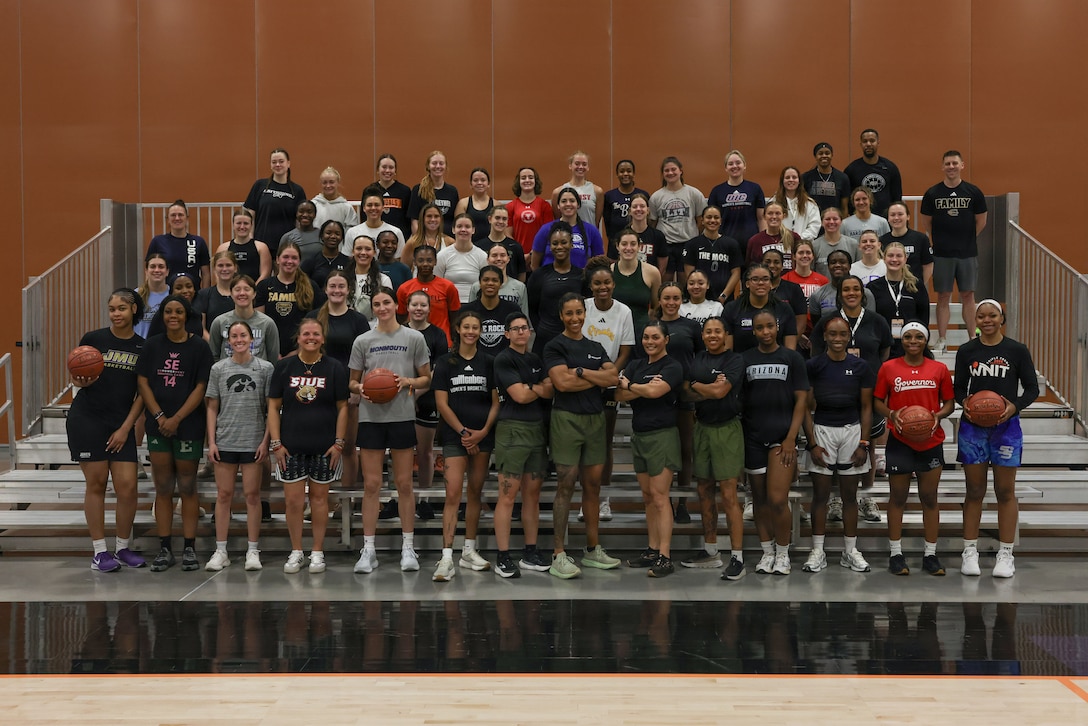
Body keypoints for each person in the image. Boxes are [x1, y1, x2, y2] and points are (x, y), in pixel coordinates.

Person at [954, 299, 1039, 578]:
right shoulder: (967, 351)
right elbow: (958, 390)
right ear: (975, 320)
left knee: (1005, 492)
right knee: (974, 491)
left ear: (1002, 318)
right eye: (981, 316)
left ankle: (1006, 553)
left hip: (1006, 428)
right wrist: (965, 401)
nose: (987, 320)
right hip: (972, 428)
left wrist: (1014, 406)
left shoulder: (1016, 350)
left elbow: (1032, 389)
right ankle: (969, 551)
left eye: (992, 315)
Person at [349, 289, 432, 575]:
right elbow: (352, 382)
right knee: (371, 485)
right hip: (370, 418)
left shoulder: (414, 338)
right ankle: (368, 549)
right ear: (372, 308)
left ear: (397, 305)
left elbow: (426, 378)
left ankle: (407, 547)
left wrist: (406, 381)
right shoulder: (363, 340)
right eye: (377, 304)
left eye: (387, 302)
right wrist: (360, 388)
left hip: (401, 416)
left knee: (404, 485)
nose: (382, 307)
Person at [543, 293, 622, 578]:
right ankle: (559, 553)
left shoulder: (595, 345)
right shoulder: (554, 345)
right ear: (561, 315)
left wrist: (579, 372)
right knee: (565, 484)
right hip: (566, 419)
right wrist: (593, 378)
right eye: (569, 313)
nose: (575, 318)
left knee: (593, 487)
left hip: (595, 420)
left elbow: (613, 378)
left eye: (579, 312)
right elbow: (561, 384)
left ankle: (592, 549)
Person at [69, 288, 146, 572]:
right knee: (97, 484)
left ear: (133, 310)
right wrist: (80, 382)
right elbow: (78, 378)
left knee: (127, 487)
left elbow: (142, 394)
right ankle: (100, 552)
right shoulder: (93, 339)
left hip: (121, 422)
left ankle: (123, 548)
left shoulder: (142, 347)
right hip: (88, 419)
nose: (116, 314)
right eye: (112, 308)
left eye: (122, 308)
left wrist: (127, 428)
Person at [136, 294, 214, 572]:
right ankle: (165, 548)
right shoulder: (152, 345)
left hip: (188, 426)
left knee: (188, 486)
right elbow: (143, 382)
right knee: (164, 488)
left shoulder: (199, 348)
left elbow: (201, 386)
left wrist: (177, 418)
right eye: (168, 311)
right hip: (158, 425)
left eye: (178, 311)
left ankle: (190, 548)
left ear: (186, 315)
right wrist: (159, 416)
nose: (173, 316)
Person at [267, 318, 349, 574]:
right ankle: (296, 551)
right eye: (306, 334)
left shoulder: (335, 368)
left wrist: (339, 443)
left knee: (319, 500)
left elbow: (343, 407)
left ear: (323, 338)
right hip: (290, 446)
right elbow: (273, 406)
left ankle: (317, 552)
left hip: (324, 446)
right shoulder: (284, 366)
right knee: (293, 502)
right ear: (298, 338)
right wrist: (276, 443)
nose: (311, 337)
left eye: (316, 334)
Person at [873, 322, 955, 576]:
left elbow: (950, 403)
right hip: (900, 441)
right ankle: (896, 554)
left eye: (919, 336)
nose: (913, 340)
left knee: (929, 498)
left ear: (926, 341)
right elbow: (877, 401)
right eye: (908, 336)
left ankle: (930, 555)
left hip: (930, 441)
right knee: (897, 498)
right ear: (901, 339)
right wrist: (891, 413)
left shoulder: (939, 369)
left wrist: (938, 415)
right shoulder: (888, 368)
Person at [810, 274, 892, 518]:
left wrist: (869, 372)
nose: (851, 293)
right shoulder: (828, 321)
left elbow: (885, 351)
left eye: (856, 289)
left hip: (868, 389)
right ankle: (837, 499)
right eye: (846, 289)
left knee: (867, 444)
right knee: (835, 445)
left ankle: (866, 498)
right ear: (840, 294)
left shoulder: (876, 321)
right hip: (834, 390)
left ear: (863, 294)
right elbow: (815, 351)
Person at [802, 316, 875, 574]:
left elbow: (866, 407)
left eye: (842, 334)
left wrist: (863, 443)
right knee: (820, 495)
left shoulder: (860, 366)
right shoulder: (813, 365)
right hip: (822, 430)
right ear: (824, 336)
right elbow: (804, 407)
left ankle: (850, 550)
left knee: (849, 496)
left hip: (851, 431)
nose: (837, 338)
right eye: (832, 334)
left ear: (848, 336)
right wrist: (812, 444)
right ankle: (818, 550)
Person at [432, 311, 501, 582]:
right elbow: (441, 403)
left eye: (476, 327)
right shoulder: (445, 362)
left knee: (475, 493)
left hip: (482, 438)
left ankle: (469, 550)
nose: (471, 331)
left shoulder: (490, 362)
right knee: (452, 494)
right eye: (467, 327)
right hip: (455, 438)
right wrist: (463, 432)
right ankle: (446, 555)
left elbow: (496, 402)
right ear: (458, 330)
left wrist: (482, 432)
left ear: (481, 331)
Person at [742, 310, 809, 575]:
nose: (766, 332)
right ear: (754, 331)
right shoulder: (745, 359)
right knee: (759, 499)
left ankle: (783, 554)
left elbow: (801, 400)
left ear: (777, 327)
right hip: (753, 438)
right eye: (760, 328)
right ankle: (767, 552)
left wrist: (792, 437)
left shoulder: (792, 358)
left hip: (782, 438)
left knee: (778, 499)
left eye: (770, 326)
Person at [615, 321, 684, 577]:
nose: (649, 341)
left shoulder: (672, 366)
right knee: (647, 497)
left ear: (666, 339)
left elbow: (656, 392)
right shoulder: (636, 364)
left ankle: (665, 556)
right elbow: (618, 397)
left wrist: (631, 386)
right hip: (640, 435)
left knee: (659, 496)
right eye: (645, 337)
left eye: (655, 337)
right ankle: (652, 549)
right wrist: (642, 389)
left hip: (662, 436)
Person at [204, 321, 273, 572]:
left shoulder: (265, 368)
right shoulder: (218, 369)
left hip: (253, 441)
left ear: (251, 339)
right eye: (234, 336)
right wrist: (212, 441)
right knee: (223, 496)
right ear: (228, 340)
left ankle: (253, 550)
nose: (239, 339)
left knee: (253, 497)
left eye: (243, 335)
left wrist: (266, 441)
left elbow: (271, 409)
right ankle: (221, 550)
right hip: (225, 440)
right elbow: (212, 407)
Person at [681, 317, 746, 579]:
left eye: (718, 331)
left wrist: (699, 386)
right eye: (708, 331)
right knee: (704, 489)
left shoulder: (734, 360)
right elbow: (685, 391)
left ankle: (737, 557)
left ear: (726, 334)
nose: (712, 335)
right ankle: (710, 551)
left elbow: (721, 392)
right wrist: (705, 387)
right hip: (702, 427)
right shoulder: (697, 359)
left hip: (727, 429)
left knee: (729, 494)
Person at [492, 312, 554, 578]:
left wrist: (535, 388)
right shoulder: (503, 359)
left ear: (529, 332)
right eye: (515, 328)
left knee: (532, 496)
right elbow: (518, 395)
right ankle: (503, 556)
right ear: (506, 334)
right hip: (512, 430)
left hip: (536, 430)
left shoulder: (535, 359)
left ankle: (530, 551)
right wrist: (536, 387)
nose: (520, 332)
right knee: (507, 496)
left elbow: (550, 390)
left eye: (524, 328)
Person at [305, 269, 371, 496]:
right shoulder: (314, 318)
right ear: (325, 289)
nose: (336, 290)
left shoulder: (358, 320)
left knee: (348, 447)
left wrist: (357, 387)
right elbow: (304, 353)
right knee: (318, 446)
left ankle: (347, 502)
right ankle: (317, 499)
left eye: (341, 286)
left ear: (348, 290)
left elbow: (366, 358)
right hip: (319, 389)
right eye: (332, 286)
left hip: (348, 390)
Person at [581, 263, 635, 522]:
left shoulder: (623, 311)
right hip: (584, 382)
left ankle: (603, 499)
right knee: (584, 443)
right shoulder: (583, 306)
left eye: (607, 283)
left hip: (610, 383)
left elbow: (625, 350)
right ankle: (586, 499)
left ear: (613, 285)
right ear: (591, 286)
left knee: (604, 442)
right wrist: (592, 377)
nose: (602, 287)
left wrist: (609, 376)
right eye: (597, 284)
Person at [920, 150, 989, 354]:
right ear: (942, 167)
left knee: (968, 295)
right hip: (942, 253)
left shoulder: (973, 192)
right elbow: (927, 223)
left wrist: (966, 238)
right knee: (943, 295)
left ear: (962, 165)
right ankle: (942, 339)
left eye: (954, 163)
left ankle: (971, 338)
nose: (951, 167)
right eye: (947, 163)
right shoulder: (932, 193)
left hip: (967, 253)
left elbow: (981, 220)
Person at [655, 282, 701, 523]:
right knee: (664, 452)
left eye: (676, 298)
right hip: (658, 396)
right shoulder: (653, 327)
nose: (671, 303)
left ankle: (682, 503)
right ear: (659, 300)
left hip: (684, 395)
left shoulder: (691, 326)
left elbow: (702, 358)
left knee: (685, 449)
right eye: (667, 298)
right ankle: (664, 503)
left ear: (681, 300)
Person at [404, 290, 449, 518]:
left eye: (423, 305)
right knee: (399, 451)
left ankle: (424, 498)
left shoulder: (438, 335)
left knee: (425, 451)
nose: (419, 309)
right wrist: (406, 394)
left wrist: (415, 394)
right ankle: (398, 497)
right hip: (398, 395)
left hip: (426, 395)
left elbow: (437, 370)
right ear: (408, 307)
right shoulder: (398, 332)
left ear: (429, 309)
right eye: (415, 305)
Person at [255, 241, 325, 356]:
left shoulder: (311, 287)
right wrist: (273, 351)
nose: (289, 261)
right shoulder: (264, 286)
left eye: (294, 258)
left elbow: (318, 321)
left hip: (302, 351)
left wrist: (299, 350)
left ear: (299, 261)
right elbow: (259, 323)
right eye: (285, 257)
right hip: (269, 351)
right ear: (277, 260)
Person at [526, 222, 584, 356]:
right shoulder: (539, 275)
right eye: (555, 243)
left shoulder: (581, 276)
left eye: (564, 242)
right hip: (545, 340)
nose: (559, 247)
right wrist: (542, 329)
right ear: (550, 246)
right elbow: (532, 309)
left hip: (574, 339)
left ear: (571, 244)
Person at [649, 156, 707, 280]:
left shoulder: (694, 193)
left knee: (685, 280)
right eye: (667, 170)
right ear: (663, 174)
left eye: (673, 169)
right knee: (665, 280)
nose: (670, 173)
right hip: (666, 244)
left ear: (681, 171)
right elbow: (653, 223)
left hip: (688, 243)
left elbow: (701, 220)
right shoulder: (656, 197)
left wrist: (693, 236)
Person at [868, 241, 930, 358]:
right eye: (890, 256)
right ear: (884, 258)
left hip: (911, 346)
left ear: (905, 259)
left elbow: (923, 318)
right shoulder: (873, 287)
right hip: (883, 346)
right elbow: (871, 319)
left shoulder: (916, 285)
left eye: (899, 256)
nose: (894, 259)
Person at [721, 264, 798, 353]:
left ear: (771, 284)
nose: (760, 283)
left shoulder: (784, 309)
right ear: (747, 284)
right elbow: (727, 351)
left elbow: (790, 351)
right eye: (755, 279)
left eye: (765, 279)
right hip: (741, 363)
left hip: (777, 363)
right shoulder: (732, 308)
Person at [396, 244, 460, 345]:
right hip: (411, 341)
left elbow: (455, 317)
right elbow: (401, 318)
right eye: (420, 260)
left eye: (429, 260)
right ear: (414, 262)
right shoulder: (404, 289)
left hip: (442, 341)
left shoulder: (448, 286)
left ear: (435, 262)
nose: (425, 264)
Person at [208, 274, 280, 363]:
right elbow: (213, 356)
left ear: (254, 294)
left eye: (247, 289)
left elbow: (273, 359)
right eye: (237, 290)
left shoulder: (267, 323)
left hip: (258, 375)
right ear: (231, 293)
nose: (242, 293)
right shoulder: (219, 322)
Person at [244, 148, 307, 246]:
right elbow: (250, 215)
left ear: (288, 163)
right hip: (261, 244)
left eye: (281, 161)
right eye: (274, 162)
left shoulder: (297, 190)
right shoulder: (259, 185)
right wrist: (250, 237)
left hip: (287, 245)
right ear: (270, 165)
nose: (278, 165)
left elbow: (299, 221)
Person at [530, 187, 605, 270]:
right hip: (550, 281)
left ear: (578, 205)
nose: (568, 204)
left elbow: (599, 263)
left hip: (580, 280)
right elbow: (534, 265)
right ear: (558, 205)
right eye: (564, 201)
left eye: (572, 201)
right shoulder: (546, 229)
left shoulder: (591, 230)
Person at [612, 227, 661, 347]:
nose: (628, 248)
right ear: (617, 246)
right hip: (615, 332)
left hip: (641, 334)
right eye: (624, 244)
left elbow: (656, 307)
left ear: (639, 246)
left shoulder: (652, 272)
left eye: (633, 244)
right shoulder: (609, 272)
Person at [683, 205, 743, 302]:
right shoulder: (692, 244)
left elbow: (736, 273)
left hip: (725, 299)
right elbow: (690, 274)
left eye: (716, 217)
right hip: (700, 299)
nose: (712, 220)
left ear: (721, 221)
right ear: (702, 220)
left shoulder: (731, 244)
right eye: (709, 217)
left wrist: (724, 296)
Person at [146, 200, 211, 288]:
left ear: (187, 218)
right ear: (168, 219)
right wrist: (149, 292)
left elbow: (206, 274)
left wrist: (204, 296)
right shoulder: (158, 241)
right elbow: (149, 271)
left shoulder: (198, 242)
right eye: (173, 215)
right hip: (166, 295)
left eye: (180, 215)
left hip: (192, 295)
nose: (177, 218)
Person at [707, 150, 765, 245]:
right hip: (724, 243)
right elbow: (711, 221)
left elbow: (761, 218)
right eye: (730, 164)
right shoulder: (717, 191)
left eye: (738, 163)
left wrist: (763, 240)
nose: (734, 166)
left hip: (751, 243)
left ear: (744, 166)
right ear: (726, 168)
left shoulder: (755, 188)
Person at [461, 266, 521, 356]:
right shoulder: (466, 311)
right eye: (486, 280)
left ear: (501, 284)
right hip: (476, 363)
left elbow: (519, 339)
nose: (490, 283)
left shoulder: (512, 309)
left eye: (495, 280)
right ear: (480, 283)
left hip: (506, 363)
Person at [844, 128, 903, 217]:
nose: (868, 144)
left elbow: (897, 196)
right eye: (865, 141)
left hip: (886, 219)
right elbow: (848, 198)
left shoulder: (890, 167)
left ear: (878, 143)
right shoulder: (851, 169)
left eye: (872, 141)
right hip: (860, 218)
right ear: (861, 144)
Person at [808, 249, 877, 322]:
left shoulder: (865, 294)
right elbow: (817, 326)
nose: (837, 265)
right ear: (828, 267)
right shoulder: (817, 295)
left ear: (850, 266)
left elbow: (871, 322)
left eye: (842, 262)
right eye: (833, 262)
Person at [467, 243, 529, 317]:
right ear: (488, 259)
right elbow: (470, 314)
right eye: (494, 255)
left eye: (502, 255)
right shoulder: (477, 286)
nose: (499, 259)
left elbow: (524, 316)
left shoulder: (520, 287)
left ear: (508, 259)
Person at [436, 214, 489, 301]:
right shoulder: (442, 255)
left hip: (474, 306)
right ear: (453, 230)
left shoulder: (482, 256)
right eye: (459, 226)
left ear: (473, 230)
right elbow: (437, 284)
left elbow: (486, 285)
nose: (463, 230)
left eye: (467, 226)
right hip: (450, 305)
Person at [882, 201, 934, 288]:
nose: (896, 217)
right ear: (888, 218)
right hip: (889, 288)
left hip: (913, 287)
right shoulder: (882, 241)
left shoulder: (921, 239)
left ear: (908, 217)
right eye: (892, 215)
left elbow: (928, 265)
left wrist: (918, 284)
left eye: (900, 214)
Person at [345, 187, 406, 260]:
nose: (373, 208)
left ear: (383, 207)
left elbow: (399, 259)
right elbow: (348, 259)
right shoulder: (352, 232)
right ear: (364, 208)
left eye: (377, 205)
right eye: (369, 205)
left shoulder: (396, 232)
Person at [407, 150, 458, 235]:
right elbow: (414, 221)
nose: (438, 166)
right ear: (428, 166)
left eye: (441, 163)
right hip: (425, 241)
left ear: (445, 166)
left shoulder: (452, 191)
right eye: (434, 163)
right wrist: (420, 242)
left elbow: (455, 220)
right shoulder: (418, 190)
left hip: (447, 241)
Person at [216, 209, 272, 283]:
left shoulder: (261, 247)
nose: (242, 227)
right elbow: (217, 274)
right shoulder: (223, 248)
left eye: (246, 223)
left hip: (255, 291)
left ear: (251, 225)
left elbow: (265, 274)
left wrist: (251, 290)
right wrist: (229, 291)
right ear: (233, 225)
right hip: (230, 291)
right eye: (238, 223)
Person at [507, 166, 553, 256]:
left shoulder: (545, 206)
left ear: (535, 181)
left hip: (540, 254)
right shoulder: (510, 206)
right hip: (518, 255)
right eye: (523, 178)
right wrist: (520, 254)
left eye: (531, 177)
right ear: (518, 182)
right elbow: (507, 234)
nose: (527, 180)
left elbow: (548, 233)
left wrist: (533, 253)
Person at [763, 248, 808, 340]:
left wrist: (791, 343)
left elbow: (801, 322)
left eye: (776, 262)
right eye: (767, 262)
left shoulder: (793, 289)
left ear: (782, 266)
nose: (772, 265)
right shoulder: (755, 288)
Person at [602, 159, 649, 245]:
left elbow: (648, 220)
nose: (625, 174)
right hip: (615, 242)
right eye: (622, 171)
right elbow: (607, 221)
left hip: (640, 242)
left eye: (629, 171)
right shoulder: (609, 196)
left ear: (633, 174)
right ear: (617, 174)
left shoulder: (643, 195)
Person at [550, 150, 603, 226]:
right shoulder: (558, 192)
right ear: (570, 166)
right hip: (567, 236)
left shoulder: (597, 191)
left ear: (588, 167)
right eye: (577, 164)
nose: (580, 167)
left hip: (588, 236)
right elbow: (558, 220)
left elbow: (596, 222)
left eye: (584, 164)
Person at [475, 205, 527, 282]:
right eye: (497, 218)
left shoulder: (515, 246)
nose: (501, 222)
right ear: (490, 219)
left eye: (504, 219)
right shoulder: (478, 246)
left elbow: (521, 274)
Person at [349, 234, 393, 322]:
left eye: (368, 249)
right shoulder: (343, 278)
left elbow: (388, 309)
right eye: (359, 249)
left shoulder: (383, 280)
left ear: (374, 252)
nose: (363, 253)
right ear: (352, 251)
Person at [194, 251, 239, 338]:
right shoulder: (204, 295)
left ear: (235, 268)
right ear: (214, 268)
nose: (224, 269)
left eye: (228, 265)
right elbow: (201, 328)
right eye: (220, 266)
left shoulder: (242, 295)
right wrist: (214, 345)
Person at [770, 166, 821, 241]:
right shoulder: (774, 202)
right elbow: (770, 223)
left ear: (799, 181)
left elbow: (814, 226)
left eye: (794, 177)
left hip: (803, 245)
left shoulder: (810, 204)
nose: (791, 180)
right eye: (787, 177)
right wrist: (783, 239)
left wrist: (799, 238)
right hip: (780, 243)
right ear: (782, 181)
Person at [746, 200, 799, 270]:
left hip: (789, 279)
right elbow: (750, 268)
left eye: (778, 213)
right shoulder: (754, 241)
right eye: (770, 213)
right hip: (765, 280)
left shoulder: (794, 237)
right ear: (764, 216)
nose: (774, 216)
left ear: (784, 216)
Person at [802, 142, 851, 216]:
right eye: (820, 153)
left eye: (827, 153)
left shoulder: (842, 178)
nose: (824, 156)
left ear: (832, 155)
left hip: (833, 222)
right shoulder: (805, 177)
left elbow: (844, 208)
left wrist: (842, 225)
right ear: (815, 156)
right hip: (812, 221)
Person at [147, 274, 203, 338]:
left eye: (189, 286)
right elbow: (151, 343)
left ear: (194, 290)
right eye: (178, 288)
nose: (185, 291)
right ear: (171, 292)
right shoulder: (161, 315)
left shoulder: (196, 315)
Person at [301, 220, 353, 290]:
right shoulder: (311, 261)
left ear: (342, 238)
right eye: (328, 233)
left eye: (337, 234)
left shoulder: (348, 262)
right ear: (322, 236)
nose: (333, 236)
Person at [371, 153, 413, 239]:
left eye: (391, 167)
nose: (387, 171)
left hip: (399, 238)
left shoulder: (405, 191)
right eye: (384, 167)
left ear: (395, 170)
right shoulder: (370, 190)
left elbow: (409, 220)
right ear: (378, 170)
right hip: (375, 238)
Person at [626, 192, 668, 273]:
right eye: (635, 207)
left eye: (642, 206)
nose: (638, 209)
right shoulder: (622, 235)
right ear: (630, 211)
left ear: (648, 210)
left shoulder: (658, 236)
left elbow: (662, 267)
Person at [811, 207, 859, 277]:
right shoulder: (814, 245)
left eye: (835, 219)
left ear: (841, 221)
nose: (831, 222)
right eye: (827, 219)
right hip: (822, 287)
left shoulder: (853, 244)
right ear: (821, 222)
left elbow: (859, 269)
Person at [311, 166, 360, 230]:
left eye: (331, 182)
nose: (328, 186)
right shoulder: (314, 205)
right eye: (324, 182)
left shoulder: (347, 207)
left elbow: (351, 231)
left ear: (338, 183)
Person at [454, 167, 495, 242]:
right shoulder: (463, 204)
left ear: (488, 184)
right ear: (471, 184)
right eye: (475, 180)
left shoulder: (496, 204)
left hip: (490, 247)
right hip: (468, 246)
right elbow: (458, 229)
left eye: (483, 180)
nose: (479, 183)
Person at [135, 253, 170, 338]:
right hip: (139, 346)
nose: (157, 270)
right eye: (153, 266)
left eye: (161, 267)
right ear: (146, 271)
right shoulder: (136, 294)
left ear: (167, 271)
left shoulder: (172, 294)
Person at [375, 229, 413, 294]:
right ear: (377, 245)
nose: (390, 246)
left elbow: (409, 293)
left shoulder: (404, 269)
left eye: (393, 243)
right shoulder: (371, 267)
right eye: (385, 242)